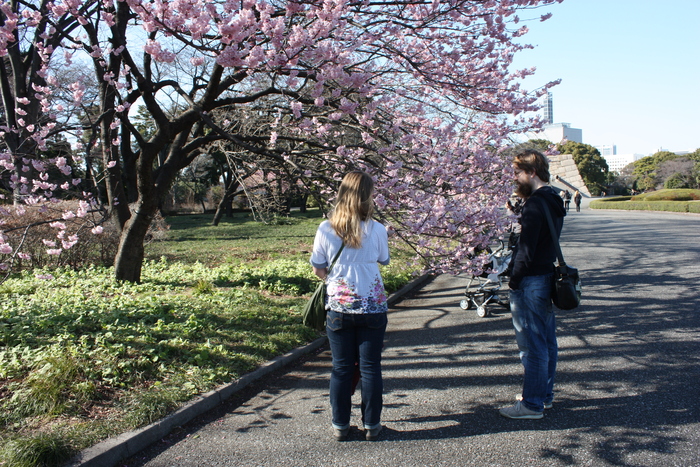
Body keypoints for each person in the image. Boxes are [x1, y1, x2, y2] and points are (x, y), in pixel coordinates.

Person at [310, 171, 390, 441]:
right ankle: (372, 425)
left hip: (339, 309)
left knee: (341, 368)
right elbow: (383, 258)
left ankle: (340, 426)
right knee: (370, 368)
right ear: (368, 195)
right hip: (372, 307)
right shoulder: (377, 228)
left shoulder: (325, 228)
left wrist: (334, 280)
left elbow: (318, 267)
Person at [500, 149, 566, 420]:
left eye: (518, 173)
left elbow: (526, 250)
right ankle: (543, 395)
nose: (515, 178)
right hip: (546, 276)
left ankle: (531, 405)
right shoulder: (552, 199)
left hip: (530, 280)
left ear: (532, 172)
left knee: (532, 345)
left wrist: (513, 281)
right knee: (547, 341)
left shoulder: (536, 204)